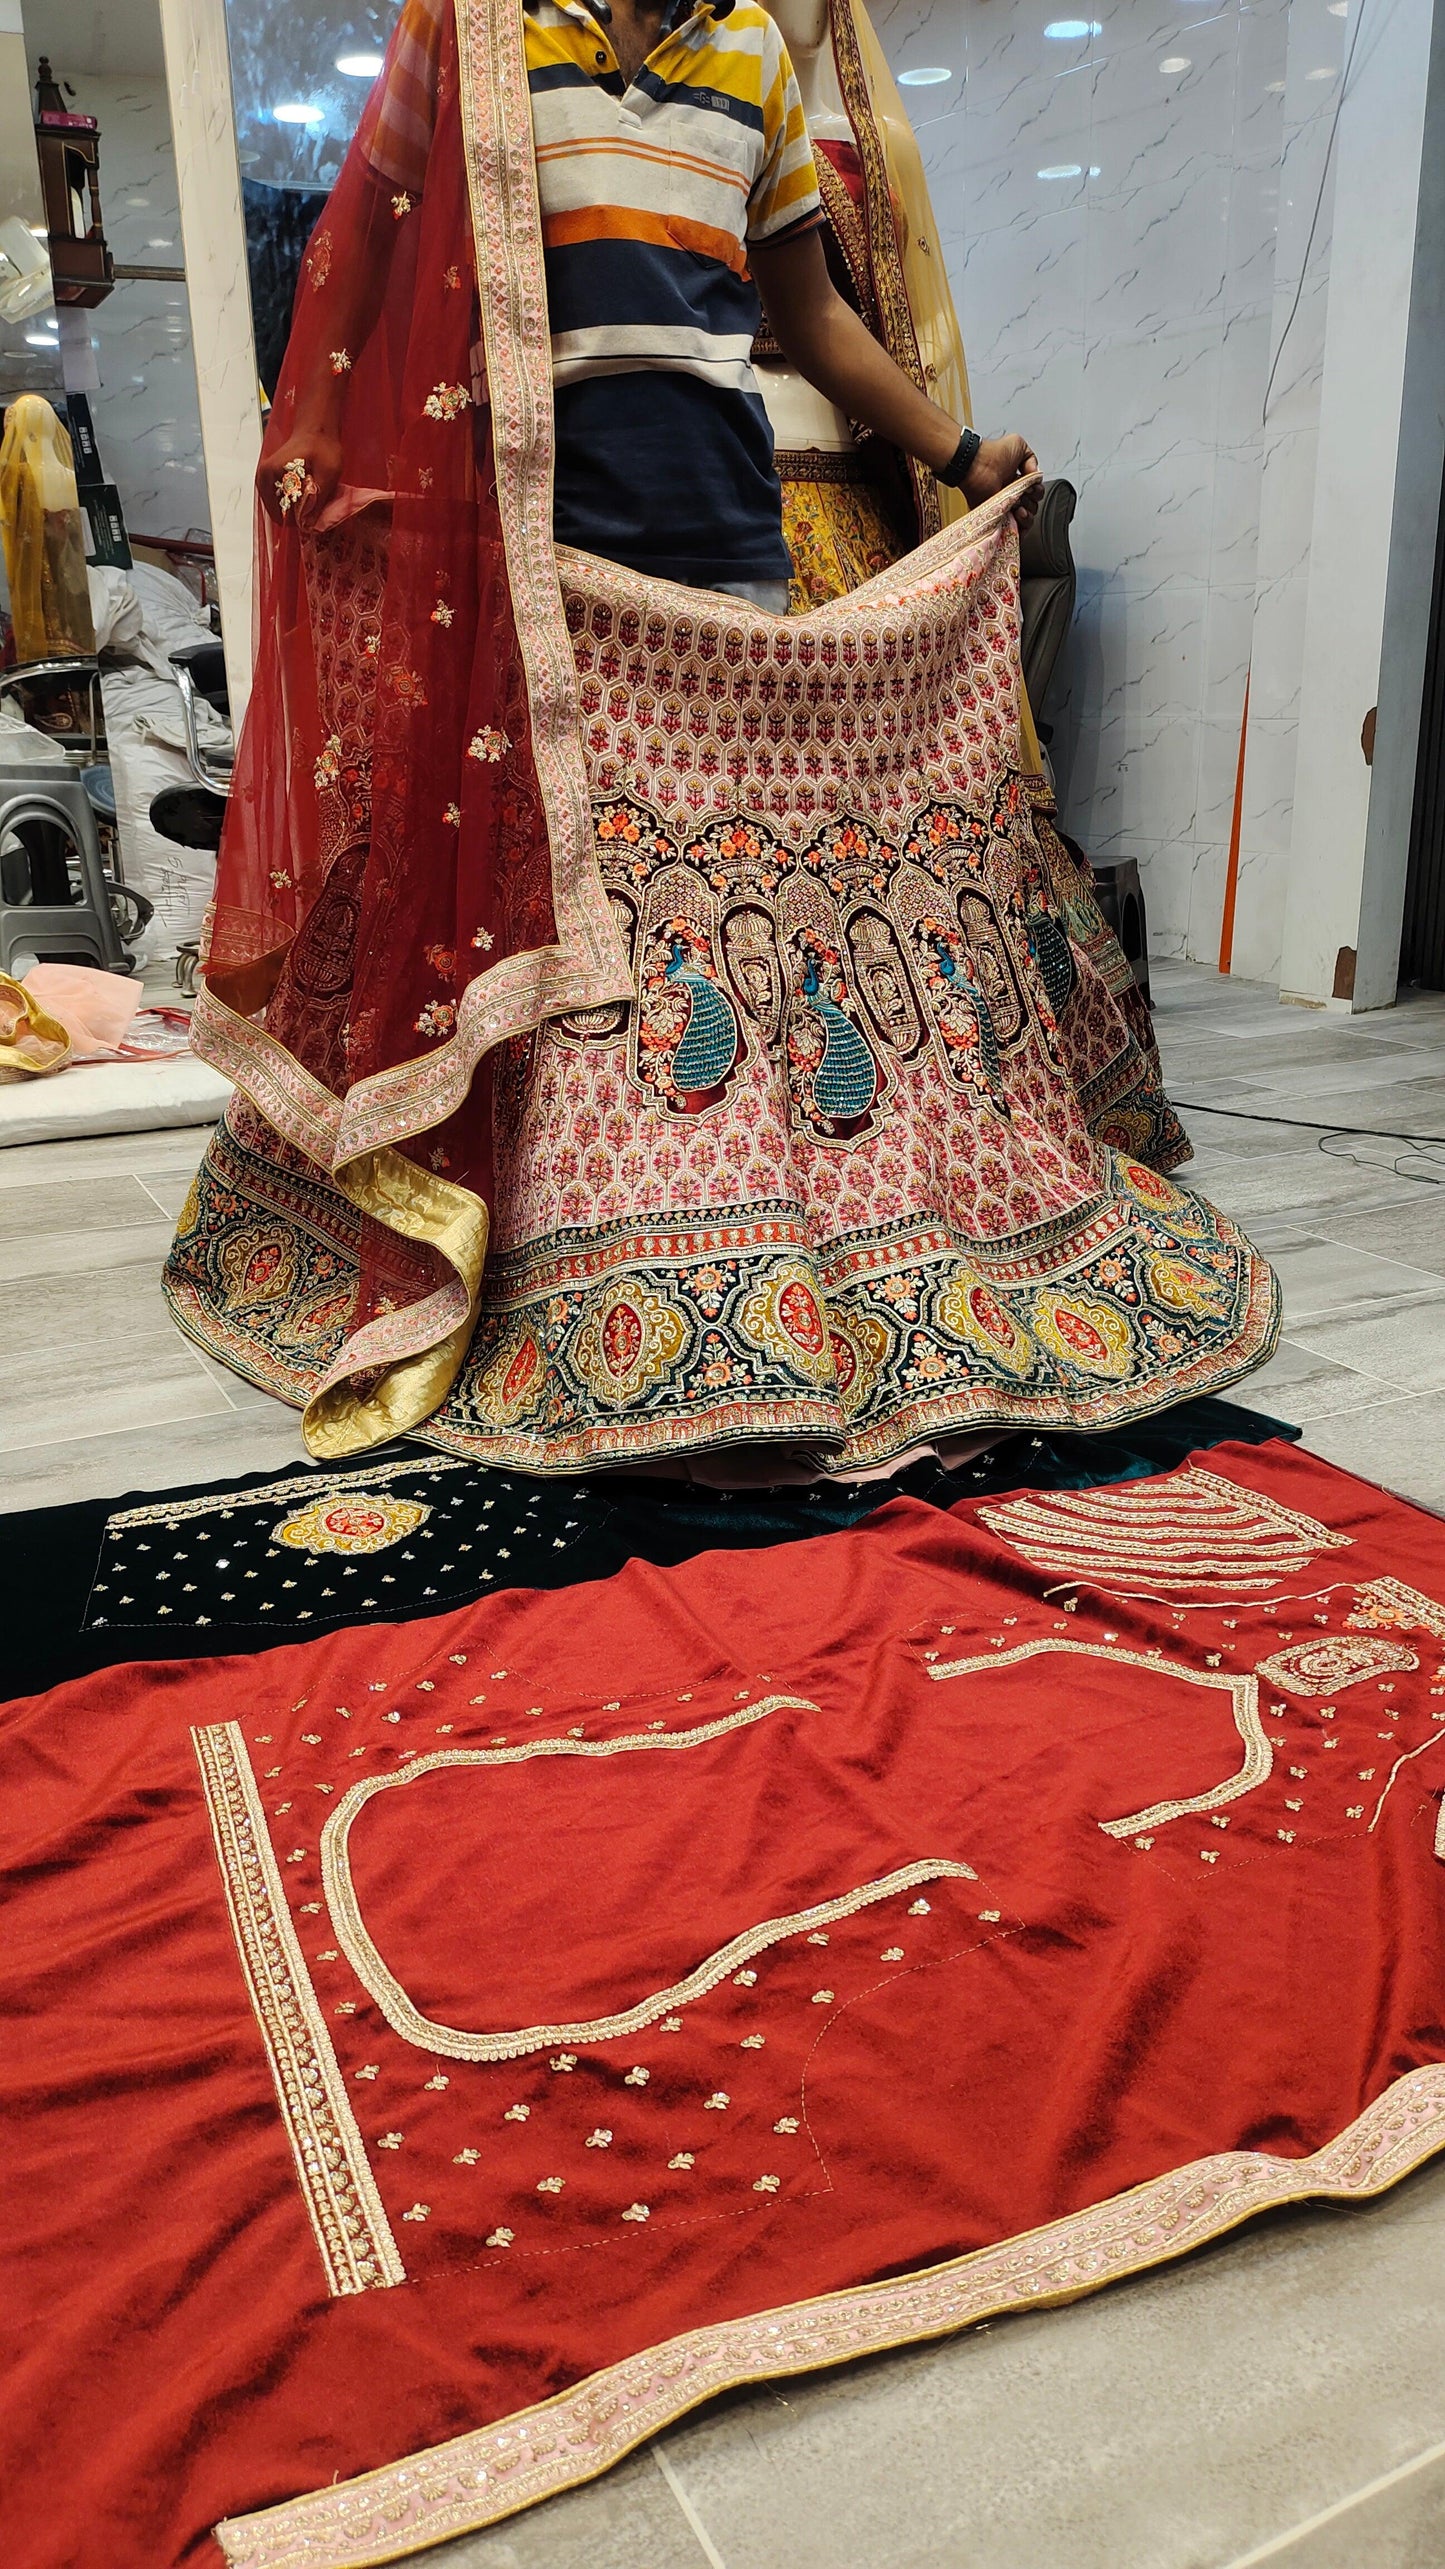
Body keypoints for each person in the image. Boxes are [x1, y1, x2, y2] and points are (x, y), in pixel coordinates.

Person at [165, 0, 1277, 1471]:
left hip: (723, 563)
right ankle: (580, 1252)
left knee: (716, 922)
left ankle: (757, 1231)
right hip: (539, 568)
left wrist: (956, 452)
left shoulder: (748, 48)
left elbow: (809, 317)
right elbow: (362, 248)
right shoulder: (480, 27)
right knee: (578, 927)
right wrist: (312, 428)